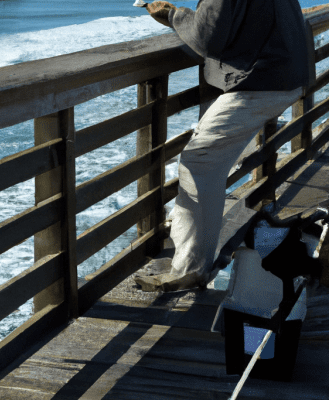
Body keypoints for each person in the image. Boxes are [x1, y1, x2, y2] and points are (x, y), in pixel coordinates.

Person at [134, 0, 315, 292]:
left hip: (262, 81)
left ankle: (191, 269)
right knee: (210, 162)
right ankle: (198, 246)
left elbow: (207, 37)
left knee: (200, 162)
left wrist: (171, 15)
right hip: (287, 74)